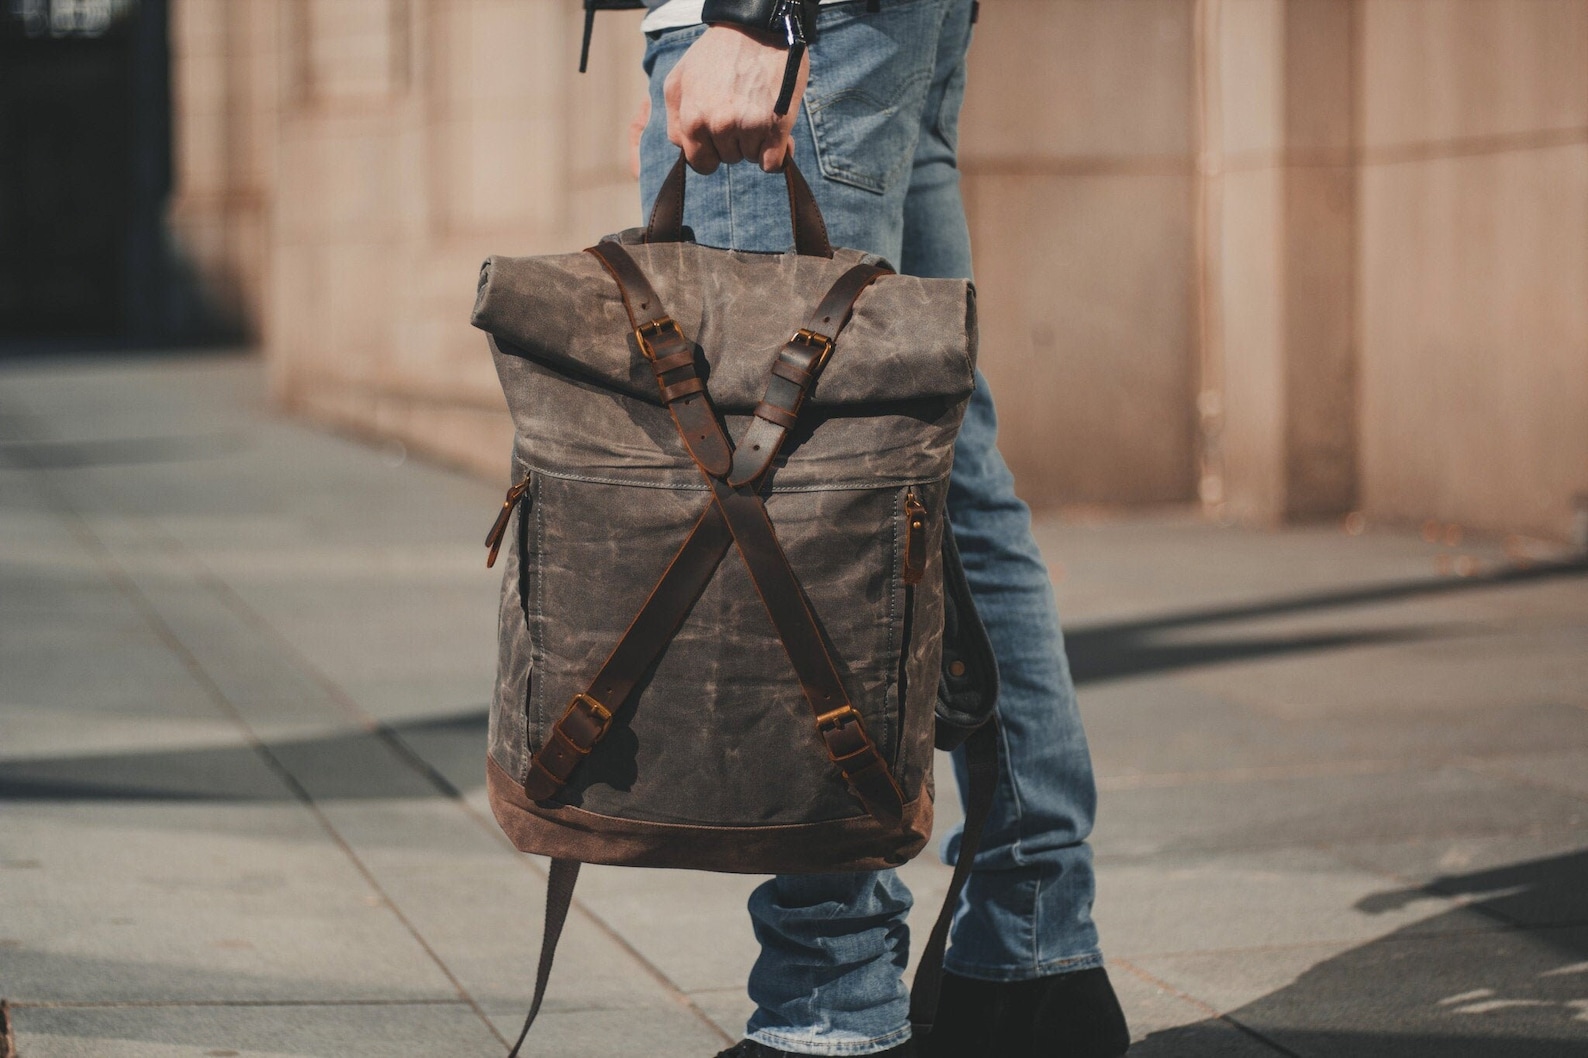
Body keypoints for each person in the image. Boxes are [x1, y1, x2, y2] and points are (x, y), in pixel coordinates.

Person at [624, 2, 1131, 1055]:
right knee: (937, 468)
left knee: (800, 510)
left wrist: (747, 17)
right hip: (858, 26)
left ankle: (831, 999)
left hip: (791, 24)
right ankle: (1032, 952)